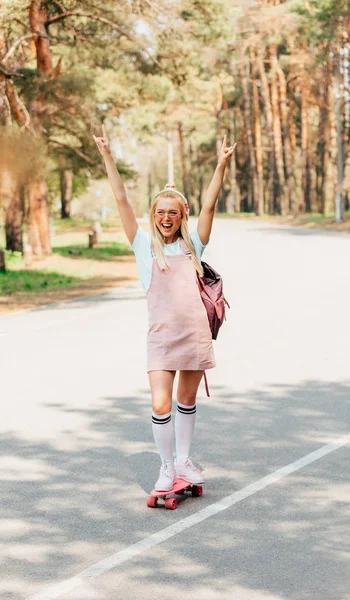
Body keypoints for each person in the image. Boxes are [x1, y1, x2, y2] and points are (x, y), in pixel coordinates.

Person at [93, 125, 236, 492]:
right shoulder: (143, 245)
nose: (166, 217)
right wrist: (108, 156)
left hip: (192, 334)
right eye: (161, 212)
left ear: (181, 215)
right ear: (154, 214)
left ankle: (185, 462)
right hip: (161, 337)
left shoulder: (195, 245)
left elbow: (210, 204)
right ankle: (167, 467)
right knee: (161, 404)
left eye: (173, 212)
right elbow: (122, 199)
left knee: (186, 400)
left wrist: (221, 165)